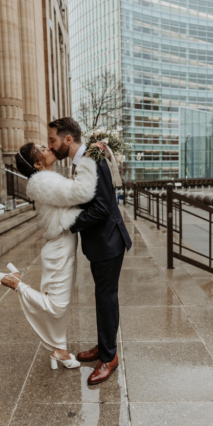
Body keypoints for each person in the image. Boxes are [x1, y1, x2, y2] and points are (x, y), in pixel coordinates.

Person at [47, 117, 132, 385]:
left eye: (53, 140)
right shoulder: (84, 160)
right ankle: (104, 345)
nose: (51, 146)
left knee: (106, 298)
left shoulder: (90, 161)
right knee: (103, 298)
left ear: (68, 139)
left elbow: (103, 208)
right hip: (102, 243)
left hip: (108, 243)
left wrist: (69, 223)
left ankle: (109, 358)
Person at [0, 141, 98, 368]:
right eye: (42, 149)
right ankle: (16, 284)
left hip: (64, 244)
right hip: (59, 247)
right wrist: (89, 159)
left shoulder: (48, 178)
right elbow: (82, 193)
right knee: (57, 305)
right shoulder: (42, 182)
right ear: (36, 162)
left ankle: (59, 351)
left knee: (62, 303)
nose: (48, 148)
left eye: (45, 145)